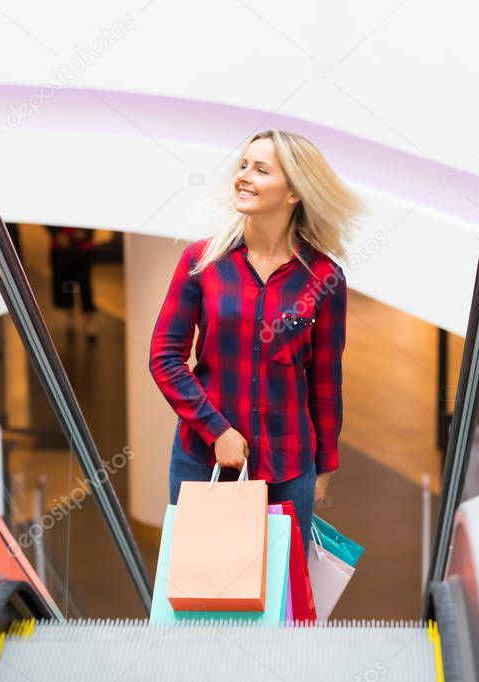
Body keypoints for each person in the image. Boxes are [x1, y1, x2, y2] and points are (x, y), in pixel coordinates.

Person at [149, 129, 363, 552]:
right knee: (201, 596)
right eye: (243, 165)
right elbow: (164, 358)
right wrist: (217, 431)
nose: (243, 177)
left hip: (288, 469)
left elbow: (325, 380)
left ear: (294, 192)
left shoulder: (324, 279)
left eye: (261, 170)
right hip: (202, 462)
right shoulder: (201, 261)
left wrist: (324, 467)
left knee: (276, 602)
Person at [46, 225, 99, 340]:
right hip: (62, 246)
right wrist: (57, 233)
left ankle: (88, 319)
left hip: (83, 247)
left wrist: (86, 232)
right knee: (68, 284)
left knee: (85, 285)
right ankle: (70, 315)